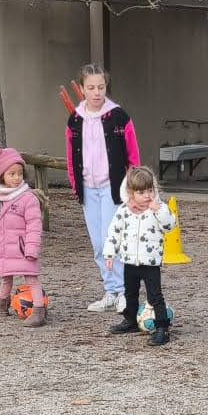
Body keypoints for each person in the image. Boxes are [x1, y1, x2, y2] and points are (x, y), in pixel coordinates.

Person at [66, 62, 141, 314]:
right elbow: (70, 154)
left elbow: (132, 152)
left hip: (113, 187)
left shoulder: (118, 116)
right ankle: (110, 289)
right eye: (91, 87)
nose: (97, 92)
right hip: (89, 188)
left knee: (113, 239)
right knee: (98, 243)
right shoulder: (75, 120)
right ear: (83, 89)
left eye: (101, 87)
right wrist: (75, 183)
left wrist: (134, 185)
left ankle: (123, 292)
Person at [103, 166, 176, 347]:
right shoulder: (124, 211)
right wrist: (110, 253)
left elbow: (170, 226)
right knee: (130, 293)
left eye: (150, 190)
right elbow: (114, 233)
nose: (146, 195)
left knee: (155, 296)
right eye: (141, 192)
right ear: (131, 193)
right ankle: (130, 321)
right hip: (129, 260)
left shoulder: (158, 210)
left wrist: (159, 210)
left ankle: (162, 327)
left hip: (150, 262)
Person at [0, 145, 46, 327]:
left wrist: (32, 248)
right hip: (4, 247)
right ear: (2, 176)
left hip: (22, 247)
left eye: (19, 173)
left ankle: (39, 310)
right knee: (5, 276)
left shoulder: (28, 198)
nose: (17, 178)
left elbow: (34, 226)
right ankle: (1, 304)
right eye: (12, 174)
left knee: (31, 277)